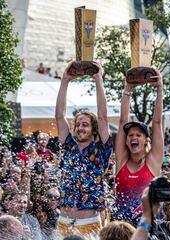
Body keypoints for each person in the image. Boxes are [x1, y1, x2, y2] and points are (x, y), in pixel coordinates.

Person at [55, 62, 112, 237]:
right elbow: (59, 116)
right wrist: (65, 80)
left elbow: (103, 116)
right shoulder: (70, 146)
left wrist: (98, 79)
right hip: (64, 221)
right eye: (78, 124)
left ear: (93, 129)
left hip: (89, 223)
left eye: (85, 125)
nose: (80, 128)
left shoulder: (101, 149)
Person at [112, 69, 164, 225]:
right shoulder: (121, 161)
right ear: (126, 141)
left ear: (146, 140)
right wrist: (127, 89)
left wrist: (160, 89)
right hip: (121, 227)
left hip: (147, 226)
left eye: (138, 135)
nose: (133, 137)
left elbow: (156, 123)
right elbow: (122, 121)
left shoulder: (153, 161)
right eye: (130, 135)